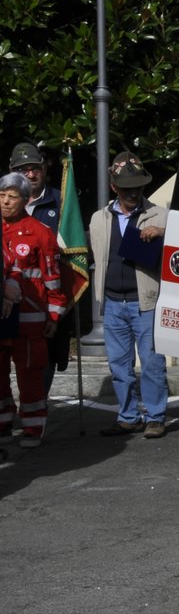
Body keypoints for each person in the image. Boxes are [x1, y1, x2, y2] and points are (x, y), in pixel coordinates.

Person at [88, 152, 170, 439]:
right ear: (114, 187)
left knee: (151, 362)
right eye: (126, 188)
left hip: (145, 301)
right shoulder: (99, 218)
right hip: (112, 302)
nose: (133, 192)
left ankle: (156, 416)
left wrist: (162, 232)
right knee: (119, 365)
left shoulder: (160, 214)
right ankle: (127, 416)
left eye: (137, 186)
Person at [0, 172, 65, 447]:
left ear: (25, 200)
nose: (5, 201)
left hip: (30, 318)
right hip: (1, 319)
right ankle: (3, 421)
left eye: (12, 197)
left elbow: (53, 278)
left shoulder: (40, 233)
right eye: (1, 196)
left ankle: (33, 426)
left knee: (30, 374)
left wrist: (54, 314)